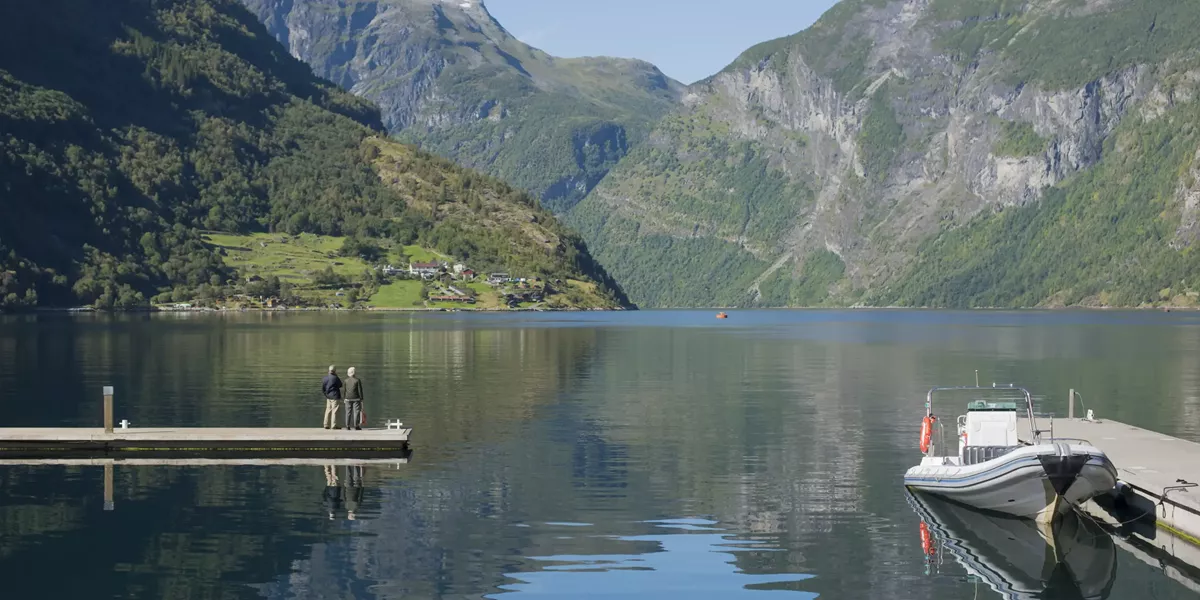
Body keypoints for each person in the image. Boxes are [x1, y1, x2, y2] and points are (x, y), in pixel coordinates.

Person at [344, 366, 364, 431]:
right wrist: (361, 399)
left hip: (347, 398)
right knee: (356, 412)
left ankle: (347, 426)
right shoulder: (357, 380)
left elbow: (344, 390)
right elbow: (360, 390)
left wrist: (344, 398)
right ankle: (356, 426)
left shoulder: (345, 380)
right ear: (354, 373)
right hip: (356, 398)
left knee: (348, 412)